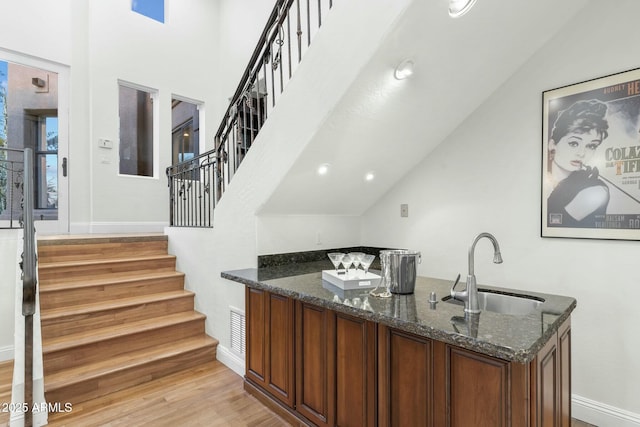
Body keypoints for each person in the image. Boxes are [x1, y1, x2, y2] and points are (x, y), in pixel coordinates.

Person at [546, 99, 610, 228]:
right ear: (553, 145)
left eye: (591, 146)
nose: (582, 153)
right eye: (574, 143)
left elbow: (554, 226)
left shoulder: (596, 190)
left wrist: (565, 186)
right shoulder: (543, 182)